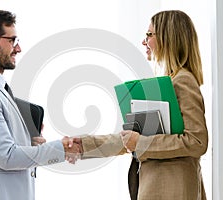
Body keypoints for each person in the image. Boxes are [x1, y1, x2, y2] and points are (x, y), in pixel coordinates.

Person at [73, 10, 208, 200]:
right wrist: (84, 145)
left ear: (167, 38)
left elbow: (197, 141)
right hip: (160, 188)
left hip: (172, 190)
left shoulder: (182, 81)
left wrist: (141, 143)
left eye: (149, 35)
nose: (144, 42)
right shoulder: (168, 82)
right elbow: (134, 139)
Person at [0, 9, 80, 200]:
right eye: (11, 40)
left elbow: (2, 148)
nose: (18, 48)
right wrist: (61, 148)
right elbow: (7, 157)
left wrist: (29, 143)